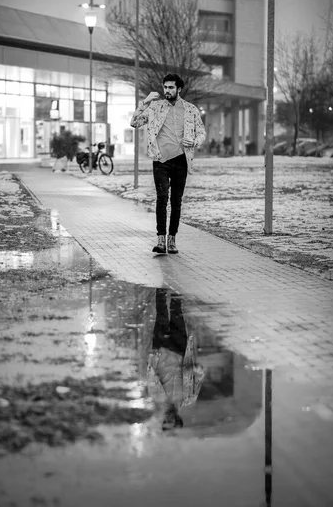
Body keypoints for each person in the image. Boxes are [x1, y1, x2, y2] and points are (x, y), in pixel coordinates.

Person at [130, 73, 206, 254]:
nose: (167, 91)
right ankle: (161, 241)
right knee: (162, 199)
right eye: (165, 87)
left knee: (176, 201)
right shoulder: (155, 107)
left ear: (179, 89)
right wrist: (145, 101)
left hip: (181, 160)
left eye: (171, 87)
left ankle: (172, 241)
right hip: (160, 160)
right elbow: (134, 122)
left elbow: (201, 132)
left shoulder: (190, 109)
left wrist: (195, 141)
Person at [147, 288, 205, 431]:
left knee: (161, 313)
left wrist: (152, 357)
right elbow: (199, 376)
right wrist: (196, 369)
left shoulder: (156, 398)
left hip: (160, 350)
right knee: (177, 312)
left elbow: (150, 376)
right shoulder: (189, 397)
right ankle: (175, 287)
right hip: (180, 350)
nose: (168, 419)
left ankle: (160, 288)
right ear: (178, 420)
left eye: (165, 421)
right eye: (170, 422)